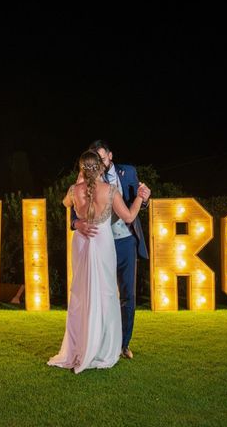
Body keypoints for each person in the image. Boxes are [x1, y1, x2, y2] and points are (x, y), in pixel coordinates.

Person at [47, 150, 150, 374]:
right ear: (101, 168)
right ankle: (104, 345)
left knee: (81, 292)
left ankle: (81, 344)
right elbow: (130, 217)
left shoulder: (74, 191)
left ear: (82, 169)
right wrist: (141, 197)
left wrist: (79, 181)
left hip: (82, 243)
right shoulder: (110, 190)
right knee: (106, 293)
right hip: (102, 243)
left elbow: (65, 203)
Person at [72, 140, 150, 360]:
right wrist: (76, 223)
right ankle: (99, 342)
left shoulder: (129, 172)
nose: (101, 165)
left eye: (103, 160)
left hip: (125, 242)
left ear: (111, 156)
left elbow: (139, 203)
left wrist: (144, 198)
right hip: (100, 242)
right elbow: (73, 204)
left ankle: (123, 344)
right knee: (98, 294)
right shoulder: (84, 177)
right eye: (97, 161)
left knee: (127, 294)